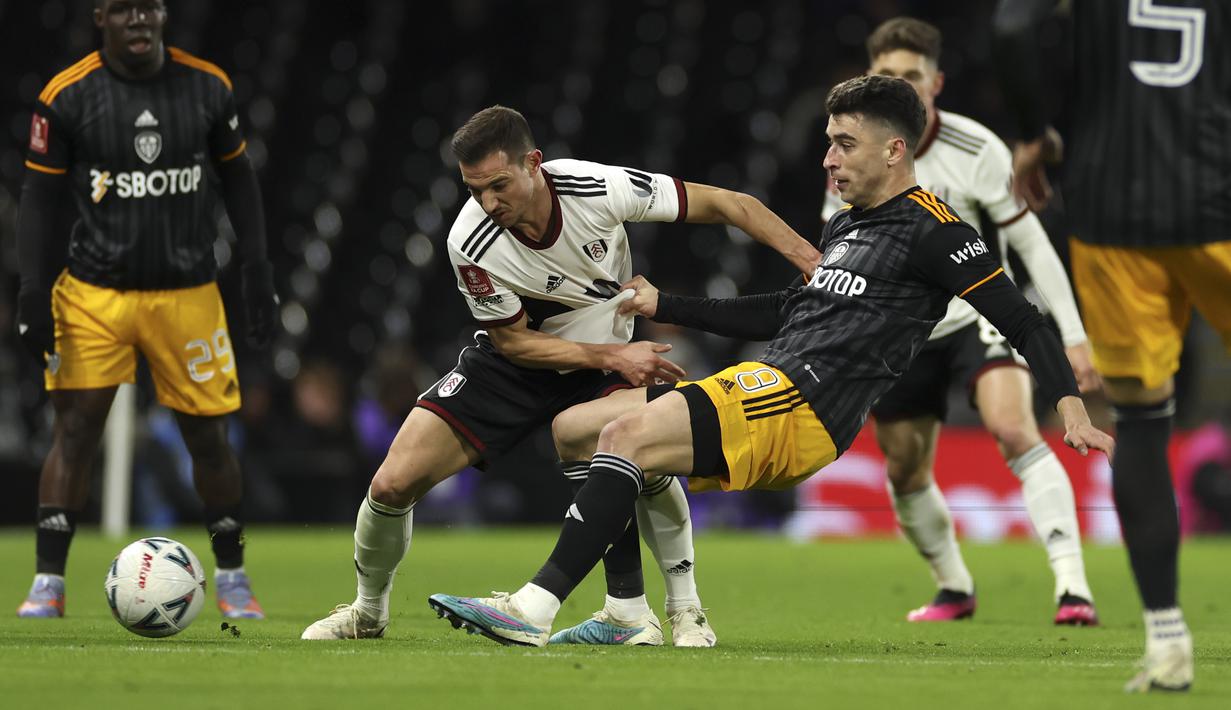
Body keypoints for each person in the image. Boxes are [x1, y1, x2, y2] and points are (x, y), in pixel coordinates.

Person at [426, 75, 1114, 648]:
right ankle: (634, 614)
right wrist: (668, 301)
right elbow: (785, 310)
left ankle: (534, 609)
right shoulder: (848, 225)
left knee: (621, 436)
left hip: (805, 404)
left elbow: (1022, 319)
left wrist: (1068, 405)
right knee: (577, 430)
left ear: (894, 150)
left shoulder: (935, 231)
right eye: (827, 145)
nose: (827, 160)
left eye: (844, 145)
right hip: (773, 383)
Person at [300, 105, 821, 645]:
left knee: (638, 451)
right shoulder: (469, 242)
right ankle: (367, 612)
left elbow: (729, 203)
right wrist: (610, 358)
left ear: (534, 163)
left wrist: (811, 260)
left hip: (606, 357)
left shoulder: (595, 189)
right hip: (520, 364)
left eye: (499, 185)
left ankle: (681, 610)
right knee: (390, 484)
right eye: (475, 190)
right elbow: (513, 341)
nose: (488, 202)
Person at [825, 17, 1099, 625]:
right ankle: (954, 587)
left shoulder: (980, 148)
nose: (905, 86)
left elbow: (1030, 244)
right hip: (902, 330)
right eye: (890, 76)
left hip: (980, 317)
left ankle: (1073, 589)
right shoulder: (849, 157)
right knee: (903, 467)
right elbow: (838, 255)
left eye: (914, 76)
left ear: (937, 82)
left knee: (1012, 427)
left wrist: (1074, 337)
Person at [993, 0, 1230, 692]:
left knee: (1142, 422)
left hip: (1112, 209)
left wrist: (1035, 132)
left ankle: (1166, 642)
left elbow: (1011, 28)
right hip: (1220, 197)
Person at [14, 0, 276, 620]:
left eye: (150, 7)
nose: (139, 20)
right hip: (93, 295)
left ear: (163, 15)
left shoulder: (207, 87)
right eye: (124, 9)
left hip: (186, 293)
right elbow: (38, 198)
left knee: (209, 437)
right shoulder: (67, 95)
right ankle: (48, 583)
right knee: (74, 432)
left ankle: (233, 576)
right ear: (99, 15)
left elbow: (240, 181)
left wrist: (257, 272)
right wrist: (31, 292)